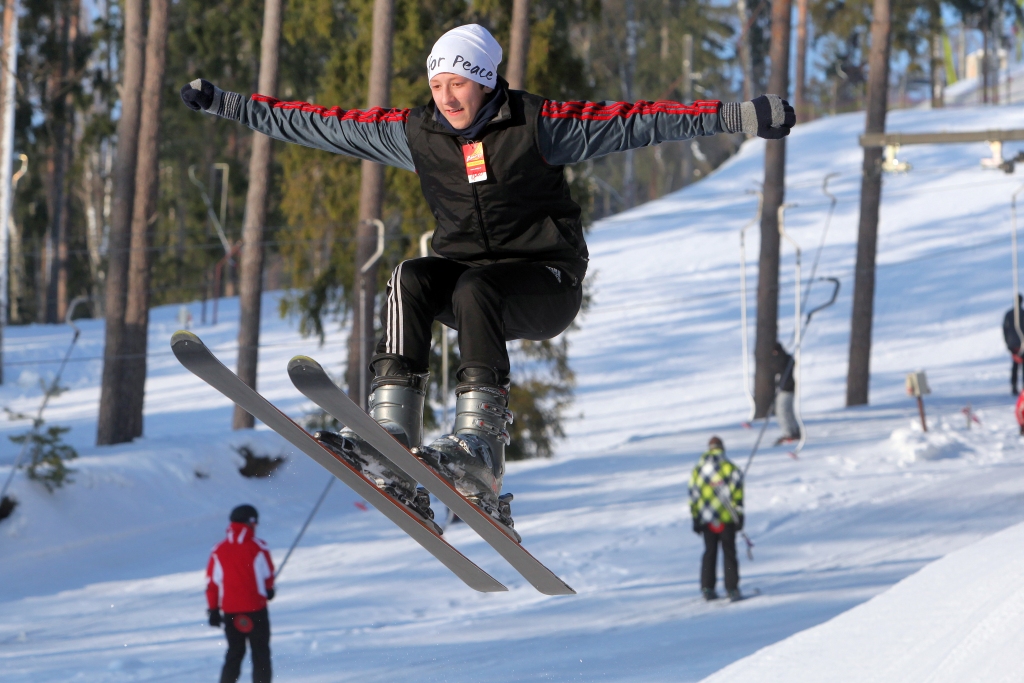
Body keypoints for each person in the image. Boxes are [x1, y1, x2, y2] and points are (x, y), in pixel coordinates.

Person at [180, 24, 794, 536]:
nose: (447, 97)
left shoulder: (539, 125)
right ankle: (391, 431)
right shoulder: (418, 134)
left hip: (545, 285)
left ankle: (479, 449)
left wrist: (741, 115)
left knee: (476, 287)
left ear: (486, 80)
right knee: (412, 276)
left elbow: (641, 121)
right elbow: (320, 123)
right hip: (471, 285)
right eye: (437, 85)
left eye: (459, 83)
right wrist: (229, 104)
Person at [206, 504, 275, 683]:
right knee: (260, 654)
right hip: (256, 609)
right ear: (250, 522)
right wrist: (269, 589)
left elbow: (212, 583)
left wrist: (213, 610)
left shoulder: (218, 550)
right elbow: (268, 574)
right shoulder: (258, 547)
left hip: (231, 612)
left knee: (234, 653)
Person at [689, 436, 744, 601]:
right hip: (727, 517)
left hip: (706, 518)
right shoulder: (730, 468)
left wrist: (695, 517)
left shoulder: (698, 470)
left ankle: (707, 588)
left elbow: (693, 495)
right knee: (729, 552)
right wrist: (739, 515)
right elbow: (737, 494)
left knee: (709, 553)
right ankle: (731, 588)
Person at [770, 341, 800, 445]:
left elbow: (777, 369)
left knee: (782, 411)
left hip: (785, 389)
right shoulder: (787, 358)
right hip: (789, 388)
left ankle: (788, 433)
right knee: (788, 411)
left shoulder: (781, 359)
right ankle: (794, 431)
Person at [1003, 295, 1024, 395]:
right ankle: (1017, 387)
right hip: (1019, 344)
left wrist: (1008, 343)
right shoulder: (1013, 314)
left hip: (1014, 344)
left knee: (1015, 366)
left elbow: (1004, 330)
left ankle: (1014, 386)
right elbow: (1005, 329)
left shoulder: (1009, 314)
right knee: (1018, 365)